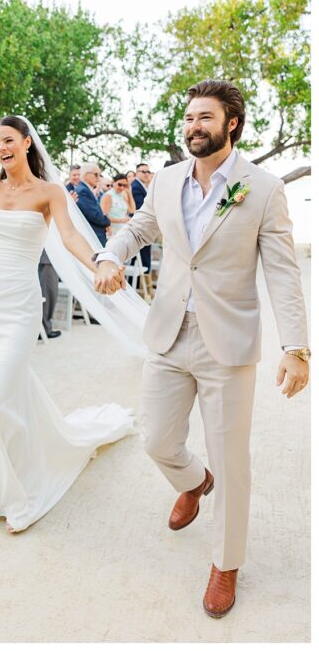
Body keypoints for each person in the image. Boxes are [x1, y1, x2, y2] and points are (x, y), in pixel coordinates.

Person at [94, 79, 309, 618]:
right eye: (189, 117)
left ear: (231, 123)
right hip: (168, 334)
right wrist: (109, 256)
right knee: (157, 440)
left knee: (231, 460)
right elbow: (139, 228)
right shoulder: (166, 180)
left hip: (228, 345)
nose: (194, 126)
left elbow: (282, 272)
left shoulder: (262, 188)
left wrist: (297, 347)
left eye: (205, 118)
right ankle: (194, 481)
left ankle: (225, 563)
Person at [0, 47, 138, 533]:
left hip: (18, 304)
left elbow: (72, 236)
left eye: (8, 140)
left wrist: (100, 259)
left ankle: (24, 489)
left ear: (27, 142)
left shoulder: (49, 193)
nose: (0, 149)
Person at [74, 163, 111, 245]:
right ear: (86, 175)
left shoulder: (85, 189)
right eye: (96, 174)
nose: (98, 178)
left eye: (99, 175)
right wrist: (108, 221)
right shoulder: (83, 191)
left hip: (96, 233)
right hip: (93, 234)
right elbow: (94, 215)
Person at [131, 162, 153, 273]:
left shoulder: (144, 186)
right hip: (141, 226)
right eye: (143, 171)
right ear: (136, 173)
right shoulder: (136, 186)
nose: (146, 174)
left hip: (145, 226)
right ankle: (140, 282)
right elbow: (140, 206)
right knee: (140, 258)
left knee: (141, 258)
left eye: (148, 171)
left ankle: (141, 281)